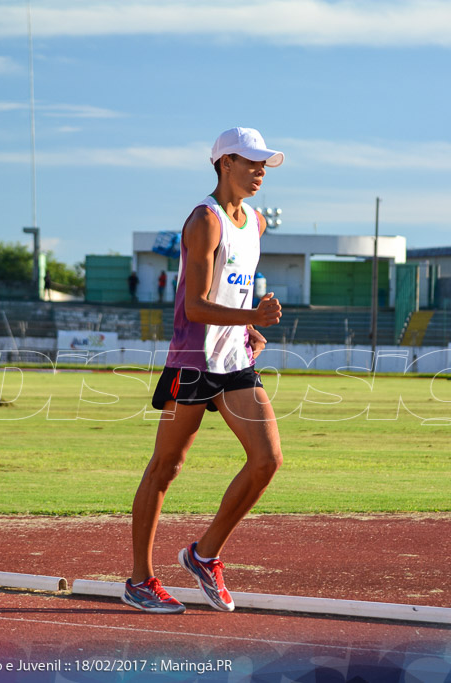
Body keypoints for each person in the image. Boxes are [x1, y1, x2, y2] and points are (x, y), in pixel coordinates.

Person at [122, 127, 284, 614]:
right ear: (224, 163)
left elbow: (234, 289)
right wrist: (252, 316)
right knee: (166, 467)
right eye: (251, 162)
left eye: (263, 165)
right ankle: (140, 581)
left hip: (235, 359)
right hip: (194, 360)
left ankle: (203, 553)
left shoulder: (254, 222)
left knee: (267, 460)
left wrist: (250, 325)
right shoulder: (204, 221)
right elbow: (195, 306)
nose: (259, 172)